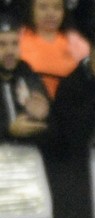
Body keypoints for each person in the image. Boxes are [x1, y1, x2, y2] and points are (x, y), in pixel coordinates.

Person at [18, 0, 90, 99]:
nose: (50, 14)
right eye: (43, 8)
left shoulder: (77, 44)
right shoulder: (18, 39)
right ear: (31, 10)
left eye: (57, 8)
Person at [0, 13, 49, 142]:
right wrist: (8, 130)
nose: (10, 51)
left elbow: (40, 103)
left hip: (27, 156)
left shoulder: (25, 71)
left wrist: (44, 110)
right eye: (2, 44)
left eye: (15, 44)